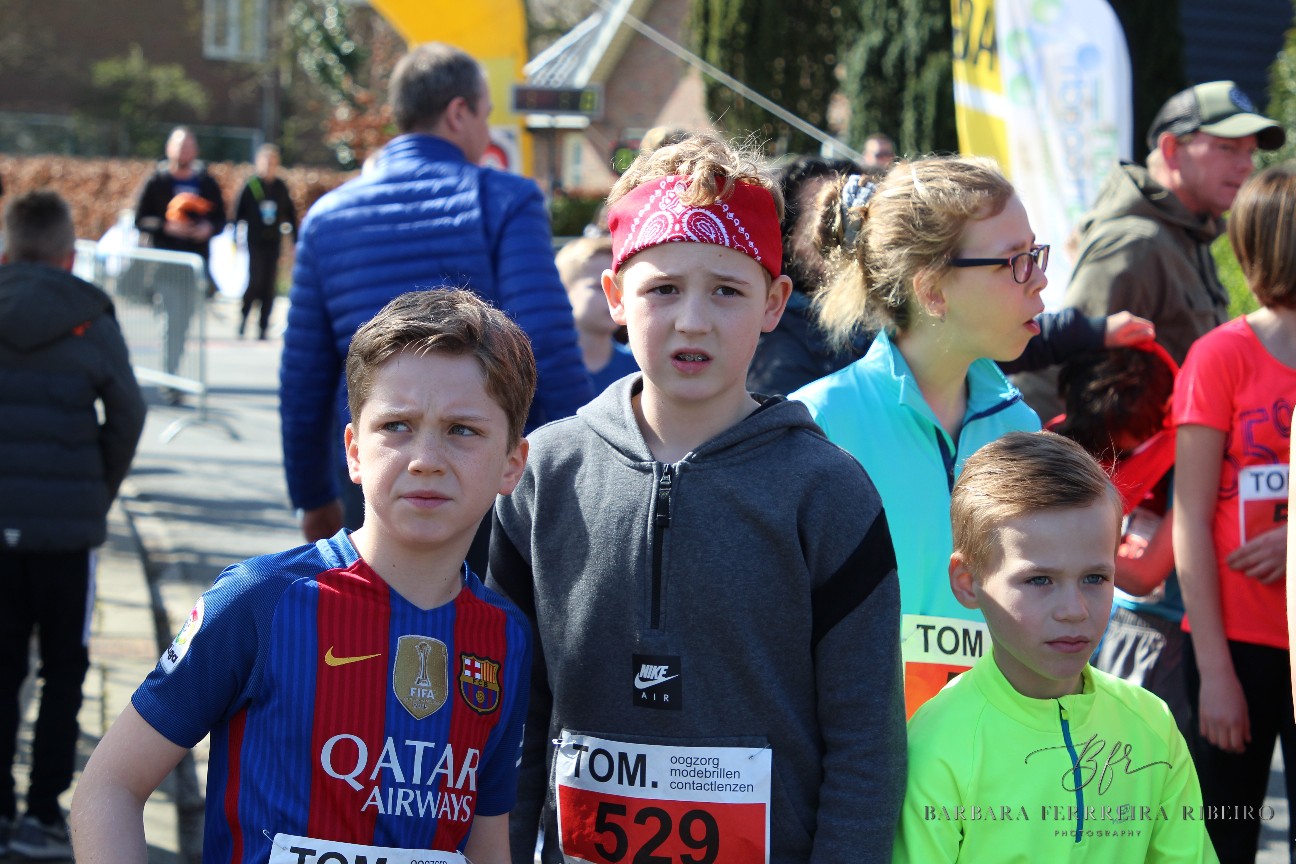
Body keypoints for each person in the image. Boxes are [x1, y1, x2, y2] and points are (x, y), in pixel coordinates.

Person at [488, 133, 905, 864]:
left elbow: (865, 744)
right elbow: (512, 721)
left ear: (775, 303)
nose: (692, 320)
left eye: (726, 291)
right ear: (615, 296)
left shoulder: (828, 493)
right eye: (663, 289)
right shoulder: (543, 476)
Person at [70, 288, 535, 864]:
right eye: (396, 425)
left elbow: (486, 840)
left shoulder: (506, 639)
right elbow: (109, 786)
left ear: (512, 463)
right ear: (354, 452)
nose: (425, 459)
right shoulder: (261, 602)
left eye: (462, 430)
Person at [281, 41, 589, 548]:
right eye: (486, 115)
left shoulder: (327, 217)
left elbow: (304, 377)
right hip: (477, 471)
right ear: (458, 112)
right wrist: (580, 474)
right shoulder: (505, 199)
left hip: (373, 468)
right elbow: (546, 344)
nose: (487, 132)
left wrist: (311, 496)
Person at [790, 157, 1043, 715]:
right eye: (1014, 261)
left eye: (1035, 253)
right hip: (860, 754)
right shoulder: (817, 423)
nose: (1040, 278)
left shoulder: (1022, 428)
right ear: (932, 291)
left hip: (990, 750)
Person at [894, 431, 1216, 863]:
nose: (1074, 610)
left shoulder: (1151, 723)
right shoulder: (935, 744)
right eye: (1040, 580)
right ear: (968, 582)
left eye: (1095, 578)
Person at [0, 190, 146, 858]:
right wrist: (97, 491)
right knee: (63, 671)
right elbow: (128, 412)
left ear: (8, 249)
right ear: (68, 254)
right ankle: (42, 815)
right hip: (67, 537)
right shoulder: (89, 315)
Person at [1174, 163, 1296, 861]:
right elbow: (1190, 516)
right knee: (1224, 839)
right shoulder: (1220, 356)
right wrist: (1215, 671)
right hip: (1233, 646)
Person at [1052, 344, 1189, 734]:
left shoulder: (1186, 449)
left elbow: (1145, 575)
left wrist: (1058, 544)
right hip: (1096, 624)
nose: (1110, 457)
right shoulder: (1069, 433)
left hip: (1158, 637)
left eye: (1121, 448)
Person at [133, 126, 226, 402]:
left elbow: (221, 219)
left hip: (194, 267)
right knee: (171, 321)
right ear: (169, 149)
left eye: (188, 145)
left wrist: (208, 228)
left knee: (183, 325)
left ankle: (173, 375)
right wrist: (165, 226)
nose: (184, 151)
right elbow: (140, 218)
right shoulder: (156, 181)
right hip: (165, 266)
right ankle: (170, 380)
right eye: (179, 145)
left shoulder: (206, 183)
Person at [554, 235, 638, 396]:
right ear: (564, 290)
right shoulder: (543, 365)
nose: (615, 297)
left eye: (620, 288)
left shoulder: (638, 368)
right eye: (600, 287)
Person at [234, 144, 297, 340]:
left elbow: (290, 215)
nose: (269, 166)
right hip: (254, 241)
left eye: (273, 162)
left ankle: (263, 326)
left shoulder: (280, 187)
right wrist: (235, 237)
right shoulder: (251, 185)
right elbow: (238, 214)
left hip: (273, 242)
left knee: (269, 285)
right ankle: (244, 317)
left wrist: (294, 241)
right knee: (255, 281)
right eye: (266, 161)